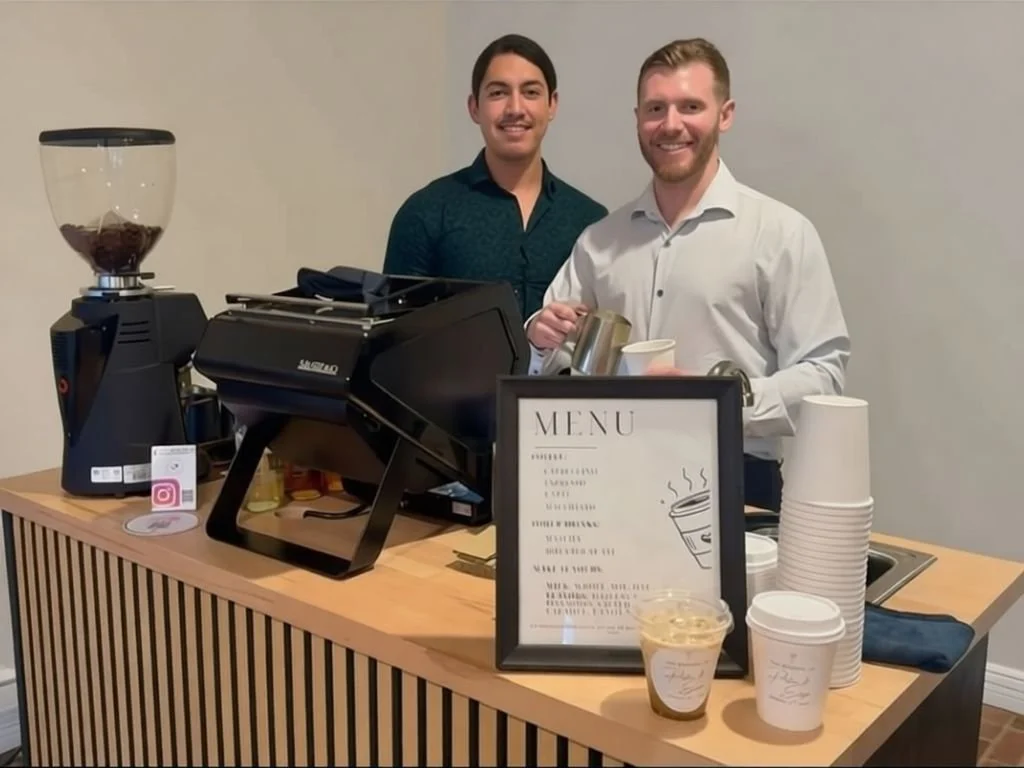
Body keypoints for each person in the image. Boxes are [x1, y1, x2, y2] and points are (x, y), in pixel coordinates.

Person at [526, 38, 851, 512]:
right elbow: (550, 359)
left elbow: (824, 375)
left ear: (725, 114)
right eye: (656, 108)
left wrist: (718, 400)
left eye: (690, 106)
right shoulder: (598, 241)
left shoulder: (781, 234)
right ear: (637, 118)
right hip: (611, 474)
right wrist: (541, 336)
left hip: (734, 475)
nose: (670, 124)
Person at [382, 33, 608, 320]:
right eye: (498, 93)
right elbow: (394, 339)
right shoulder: (425, 213)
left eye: (531, 92)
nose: (515, 109)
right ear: (474, 107)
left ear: (552, 104)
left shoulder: (590, 221)